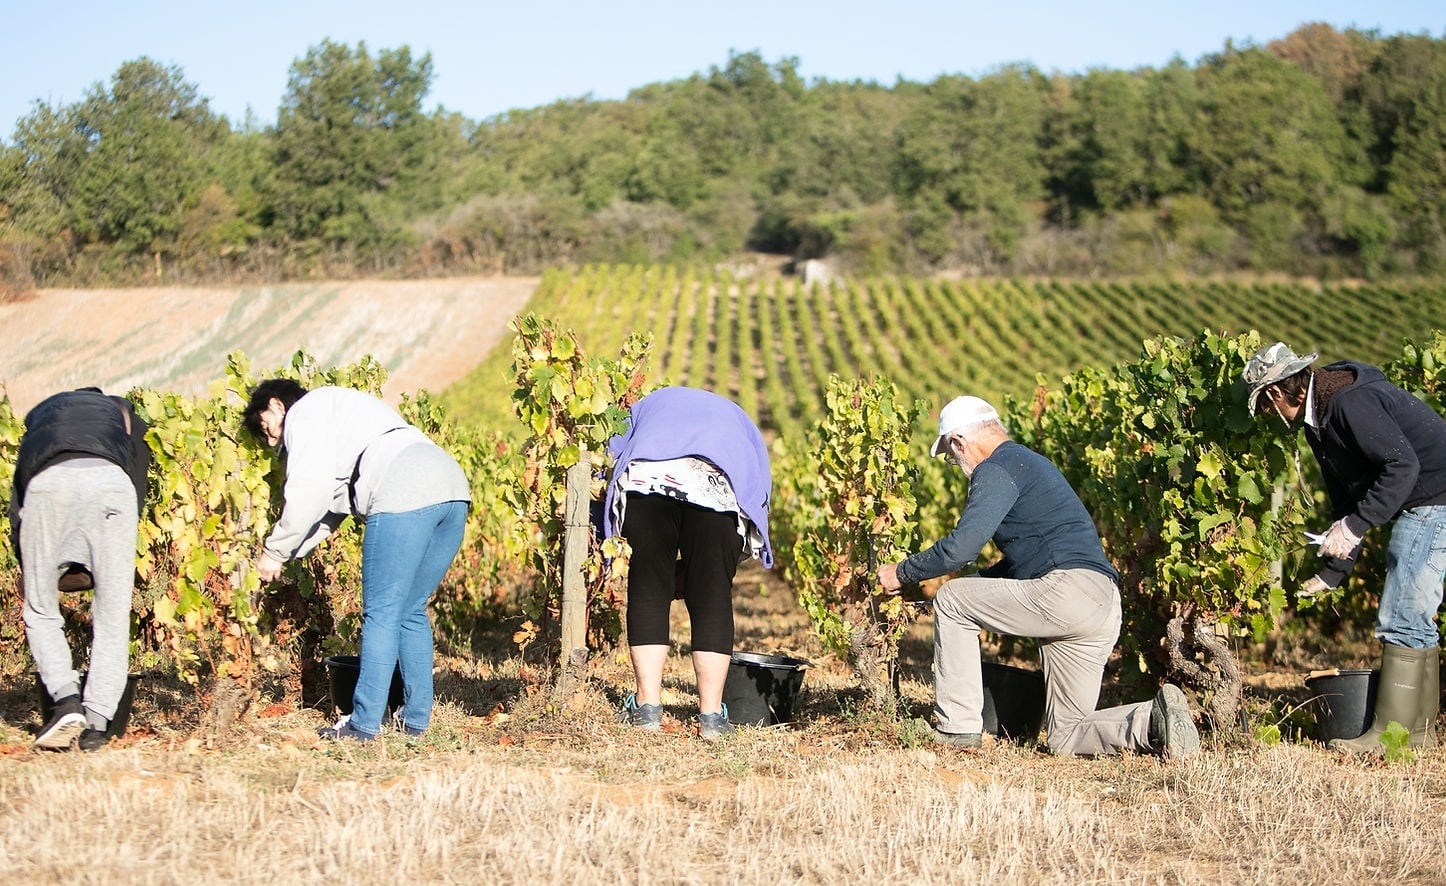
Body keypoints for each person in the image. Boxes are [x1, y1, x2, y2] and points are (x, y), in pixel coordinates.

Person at [877, 395, 1201, 758]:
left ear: (959, 441)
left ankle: (957, 728)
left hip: (1066, 592)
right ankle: (1152, 721)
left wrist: (900, 573)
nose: (957, 464)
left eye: (953, 458)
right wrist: (960, 591)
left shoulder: (996, 468)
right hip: (1101, 604)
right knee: (1067, 735)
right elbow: (1024, 563)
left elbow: (960, 549)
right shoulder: (1031, 465)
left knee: (954, 598)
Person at [1244, 342, 1446, 754]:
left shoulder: (1349, 403)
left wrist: (1354, 528)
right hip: (1426, 499)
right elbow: (1347, 504)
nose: (1266, 416)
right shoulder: (1319, 419)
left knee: (1403, 614)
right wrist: (1332, 572)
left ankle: (1394, 736)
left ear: (1276, 393)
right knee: (1413, 614)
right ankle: (1417, 736)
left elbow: (1401, 466)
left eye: (1263, 406)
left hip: (1435, 498)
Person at [242, 380, 470, 741]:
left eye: (265, 427)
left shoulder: (304, 412)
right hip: (452, 488)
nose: (272, 442)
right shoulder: (342, 415)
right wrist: (287, 554)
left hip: (403, 488)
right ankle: (415, 723)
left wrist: (273, 551)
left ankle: (362, 726)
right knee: (411, 609)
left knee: (381, 611)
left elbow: (310, 491)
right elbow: (331, 511)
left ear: (276, 405)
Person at [602, 387, 773, 739]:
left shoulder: (645, 407)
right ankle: (711, 717)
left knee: (649, 585)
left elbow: (612, 452)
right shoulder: (736, 416)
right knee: (711, 597)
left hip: (647, 481)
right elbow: (755, 477)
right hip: (715, 486)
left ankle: (647, 707)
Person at [11, 388, 150, 751]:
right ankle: (98, 725)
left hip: (49, 483)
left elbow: (19, 492)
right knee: (112, 613)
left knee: (40, 607)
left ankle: (66, 700)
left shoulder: (42, 413)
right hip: (112, 487)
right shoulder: (124, 416)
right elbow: (137, 481)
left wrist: (29, 564)